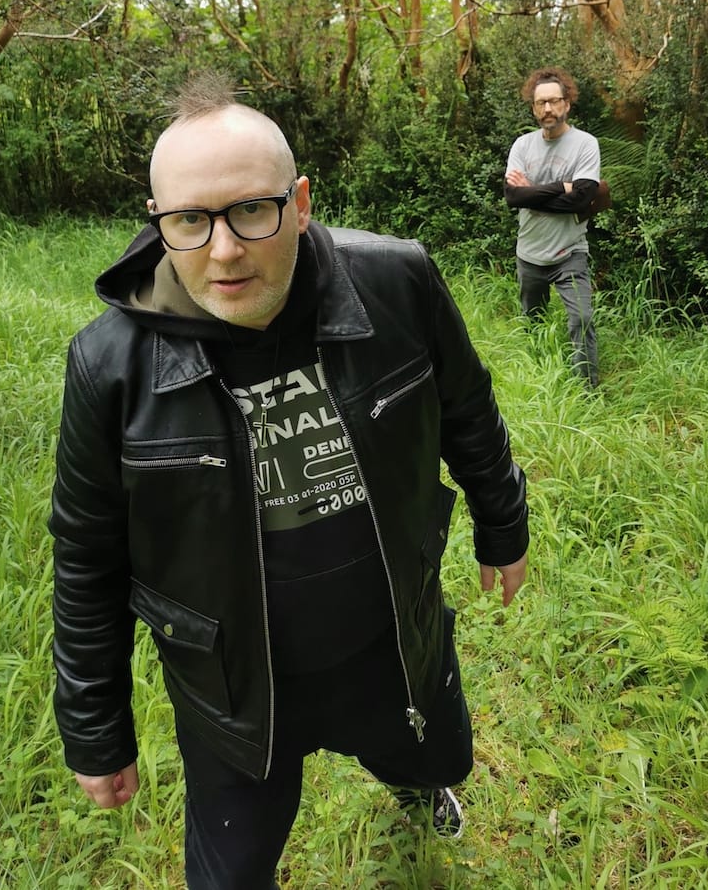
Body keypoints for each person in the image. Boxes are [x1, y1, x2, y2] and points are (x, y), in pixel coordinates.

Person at [49, 72, 529, 890]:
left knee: (440, 752)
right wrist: (96, 730)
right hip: (233, 693)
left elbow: (465, 405)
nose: (225, 248)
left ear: (299, 201)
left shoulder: (395, 282)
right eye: (190, 221)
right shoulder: (110, 364)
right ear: (160, 225)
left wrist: (503, 522)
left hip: (389, 642)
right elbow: (88, 556)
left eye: (251, 210)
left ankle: (420, 782)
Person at [504, 66, 603, 387]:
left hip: (569, 253)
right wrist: (564, 187)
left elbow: (583, 198)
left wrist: (529, 191)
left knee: (582, 319)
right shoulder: (522, 146)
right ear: (533, 108)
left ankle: (588, 389)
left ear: (567, 104)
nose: (548, 108)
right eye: (541, 103)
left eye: (554, 101)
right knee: (533, 321)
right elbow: (511, 197)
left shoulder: (585, 144)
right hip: (529, 254)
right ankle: (537, 379)